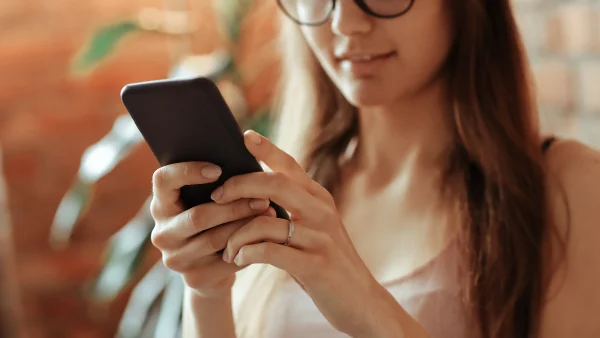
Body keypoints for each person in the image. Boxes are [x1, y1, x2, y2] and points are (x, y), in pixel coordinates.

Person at [149, 0, 600, 337]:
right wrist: (206, 293)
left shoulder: (568, 185)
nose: (346, 23)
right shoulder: (290, 188)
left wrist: (368, 308)